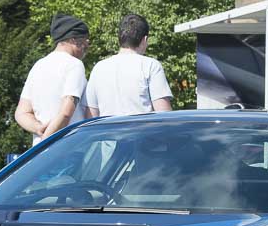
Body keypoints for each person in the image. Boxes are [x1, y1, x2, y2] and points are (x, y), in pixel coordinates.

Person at [16, 14, 90, 146]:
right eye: (85, 40)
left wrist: (38, 128)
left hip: (44, 152)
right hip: (69, 146)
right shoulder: (74, 65)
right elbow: (66, 112)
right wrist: (45, 142)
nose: (87, 45)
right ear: (74, 40)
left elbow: (21, 113)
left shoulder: (38, 65)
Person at [85, 14, 173, 117]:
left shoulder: (98, 68)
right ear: (144, 40)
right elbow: (164, 113)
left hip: (107, 127)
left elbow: (90, 115)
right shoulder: (151, 65)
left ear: (120, 38)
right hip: (141, 127)